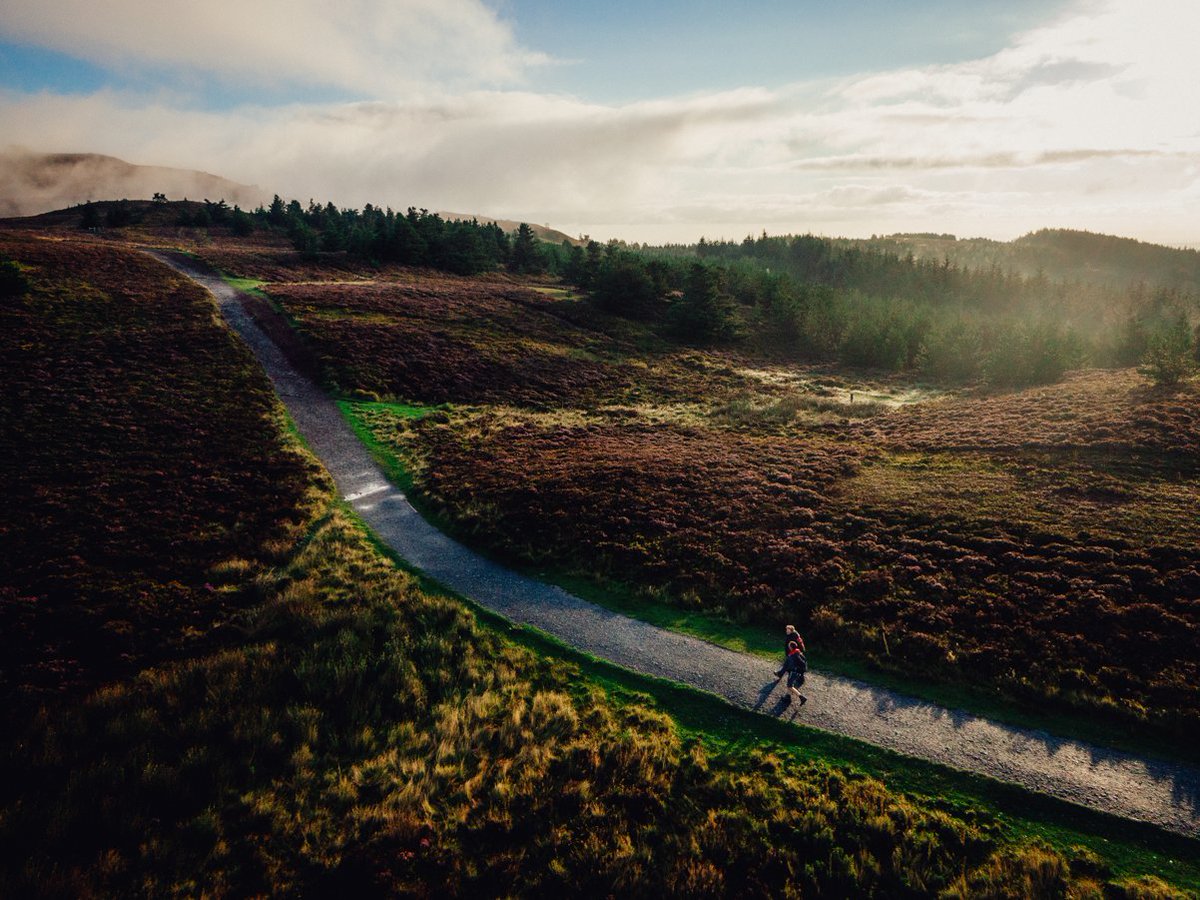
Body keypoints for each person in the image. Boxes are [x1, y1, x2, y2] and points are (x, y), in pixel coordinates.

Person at [781, 640, 808, 706]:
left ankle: (802, 697)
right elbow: (804, 661)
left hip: (794, 672)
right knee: (789, 685)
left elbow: (801, 663)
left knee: (790, 686)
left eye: (789, 646)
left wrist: (795, 669)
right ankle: (787, 698)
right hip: (797, 672)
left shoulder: (793, 655)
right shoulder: (798, 652)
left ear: (791, 647)